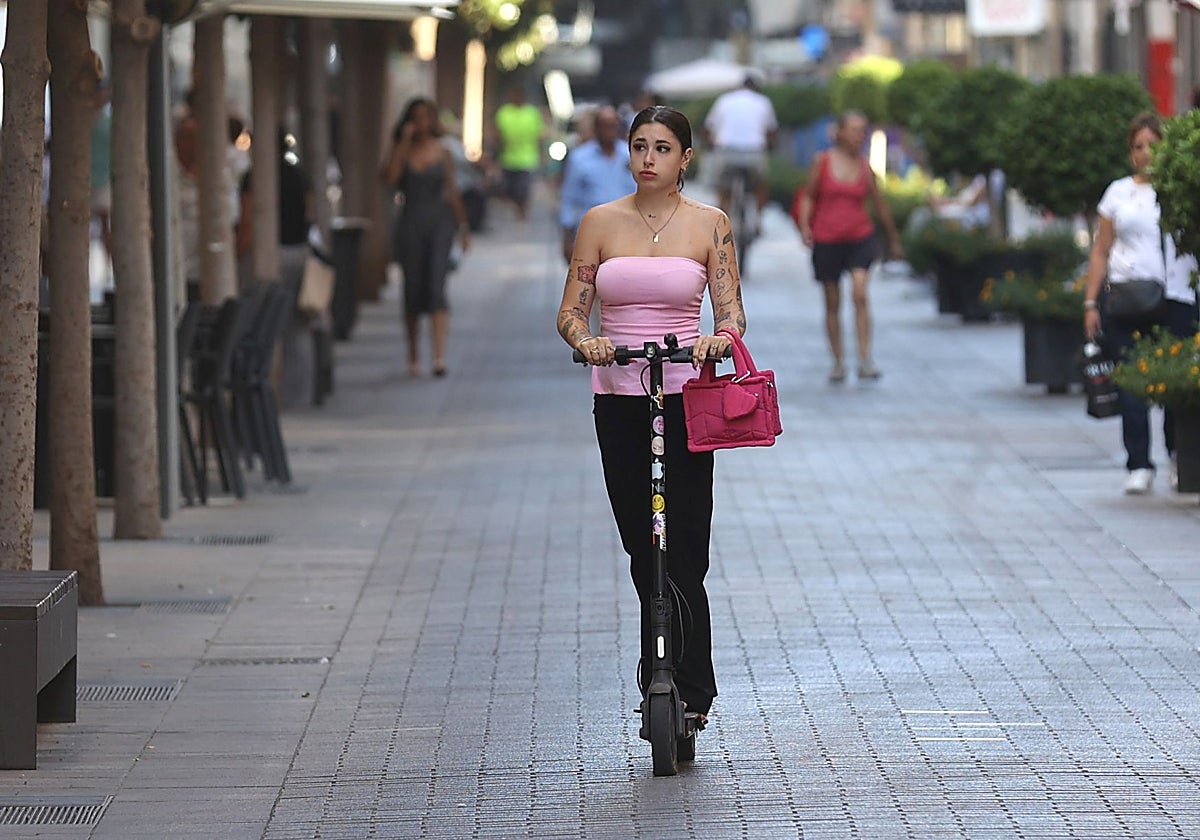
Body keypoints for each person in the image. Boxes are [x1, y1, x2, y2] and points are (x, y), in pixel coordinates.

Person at [555, 105, 746, 726]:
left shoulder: (709, 225)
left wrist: (719, 339)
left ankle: (689, 687)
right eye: (640, 146)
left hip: (686, 396)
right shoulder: (599, 223)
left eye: (663, 148)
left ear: (685, 158)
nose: (648, 158)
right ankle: (658, 670)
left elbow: (732, 313)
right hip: (618, 395)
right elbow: (571, 311)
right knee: (644, 544)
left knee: (685, 543)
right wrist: (585, 341)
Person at [1084, 111, 1197, 494]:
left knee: (1175, 384)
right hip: (1127, 298)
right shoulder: (1118, 193)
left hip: (1175, 297)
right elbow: (1101, 250)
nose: (1145, 153)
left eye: (1153, 145)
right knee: (1131, 381)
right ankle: (1138, 463)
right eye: (1138, 146)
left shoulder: (1182, 188)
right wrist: (1090, 302)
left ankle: (1176, 454)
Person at [795, 110, 902, 383]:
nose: (859, 135)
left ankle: (865, 358)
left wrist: (893, 239)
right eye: (854, 130)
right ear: (839, 132)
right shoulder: (823, 162)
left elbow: (879, 205)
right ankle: (838, 361)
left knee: (860, 294)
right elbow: (808, 196)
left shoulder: (866, 168)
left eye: (862, 130)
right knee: (832, 302)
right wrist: (806, 227)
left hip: (860, 237)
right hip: (827, 239)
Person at [382, 97, 471, 378]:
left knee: (436, 286)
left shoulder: (442, 152)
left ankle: (438, 355)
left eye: (426, 117)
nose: (421, 123)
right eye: (416, 117)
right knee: (412, 289)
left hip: (439, 224)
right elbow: (391, 178)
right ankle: (412, 354)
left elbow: (452, 190)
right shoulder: (403, 150)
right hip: (411, 223)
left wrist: (463, 226)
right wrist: (402, 143)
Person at [557, 106, 635, 265]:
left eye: (612, 125)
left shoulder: (630, 155)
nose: (609, 130)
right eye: (604, 125)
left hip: (628, 233)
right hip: (592, 233)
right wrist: (567, 238)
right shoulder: (579, 158)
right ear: (596, 128)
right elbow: (569, 198)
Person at [703, 74, 777, 227]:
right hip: (754, 151)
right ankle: (758, 220)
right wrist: (769, 148)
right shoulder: (763, 102)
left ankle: (722, 223)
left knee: (723, 188)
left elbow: (709, 126)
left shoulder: (724, 100)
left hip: (727, 150)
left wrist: (711, 144)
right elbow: (771, 131)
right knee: (760, 185)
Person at [492, 87, 545, 222]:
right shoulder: (504, 113)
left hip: (527, 159)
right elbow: (497, 135)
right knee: (508, 190)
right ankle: (515, 213)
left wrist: (542, 153)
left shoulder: (532, 113)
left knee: (523, 191)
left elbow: (539, 135)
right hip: (507, 159)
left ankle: (522, 214)